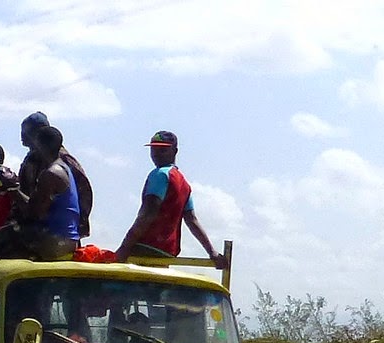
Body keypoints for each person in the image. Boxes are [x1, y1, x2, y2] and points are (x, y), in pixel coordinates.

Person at [115, 130, 227, 266]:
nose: (156, 154)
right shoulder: (184, 184)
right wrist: (212, 252)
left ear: (175, 151)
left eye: (162, 150)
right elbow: (192, 220)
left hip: (146, 247)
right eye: (154, 149)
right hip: (167, 251)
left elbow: (147, 215)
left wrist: (125, 246)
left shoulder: (160, 175)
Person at [0, 126, 79, 261]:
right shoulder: (64, 169)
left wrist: (12, 189)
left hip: (55, 240)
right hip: (66, 239)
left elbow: (34, 213)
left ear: (40, 145)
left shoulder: (51, 174)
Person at [18, 112, 93, 239]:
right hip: (34, 226)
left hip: (59, 233)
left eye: (27, 133)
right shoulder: (30, 161)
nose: (23, 138)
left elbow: (83, 194)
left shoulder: (63, 161)